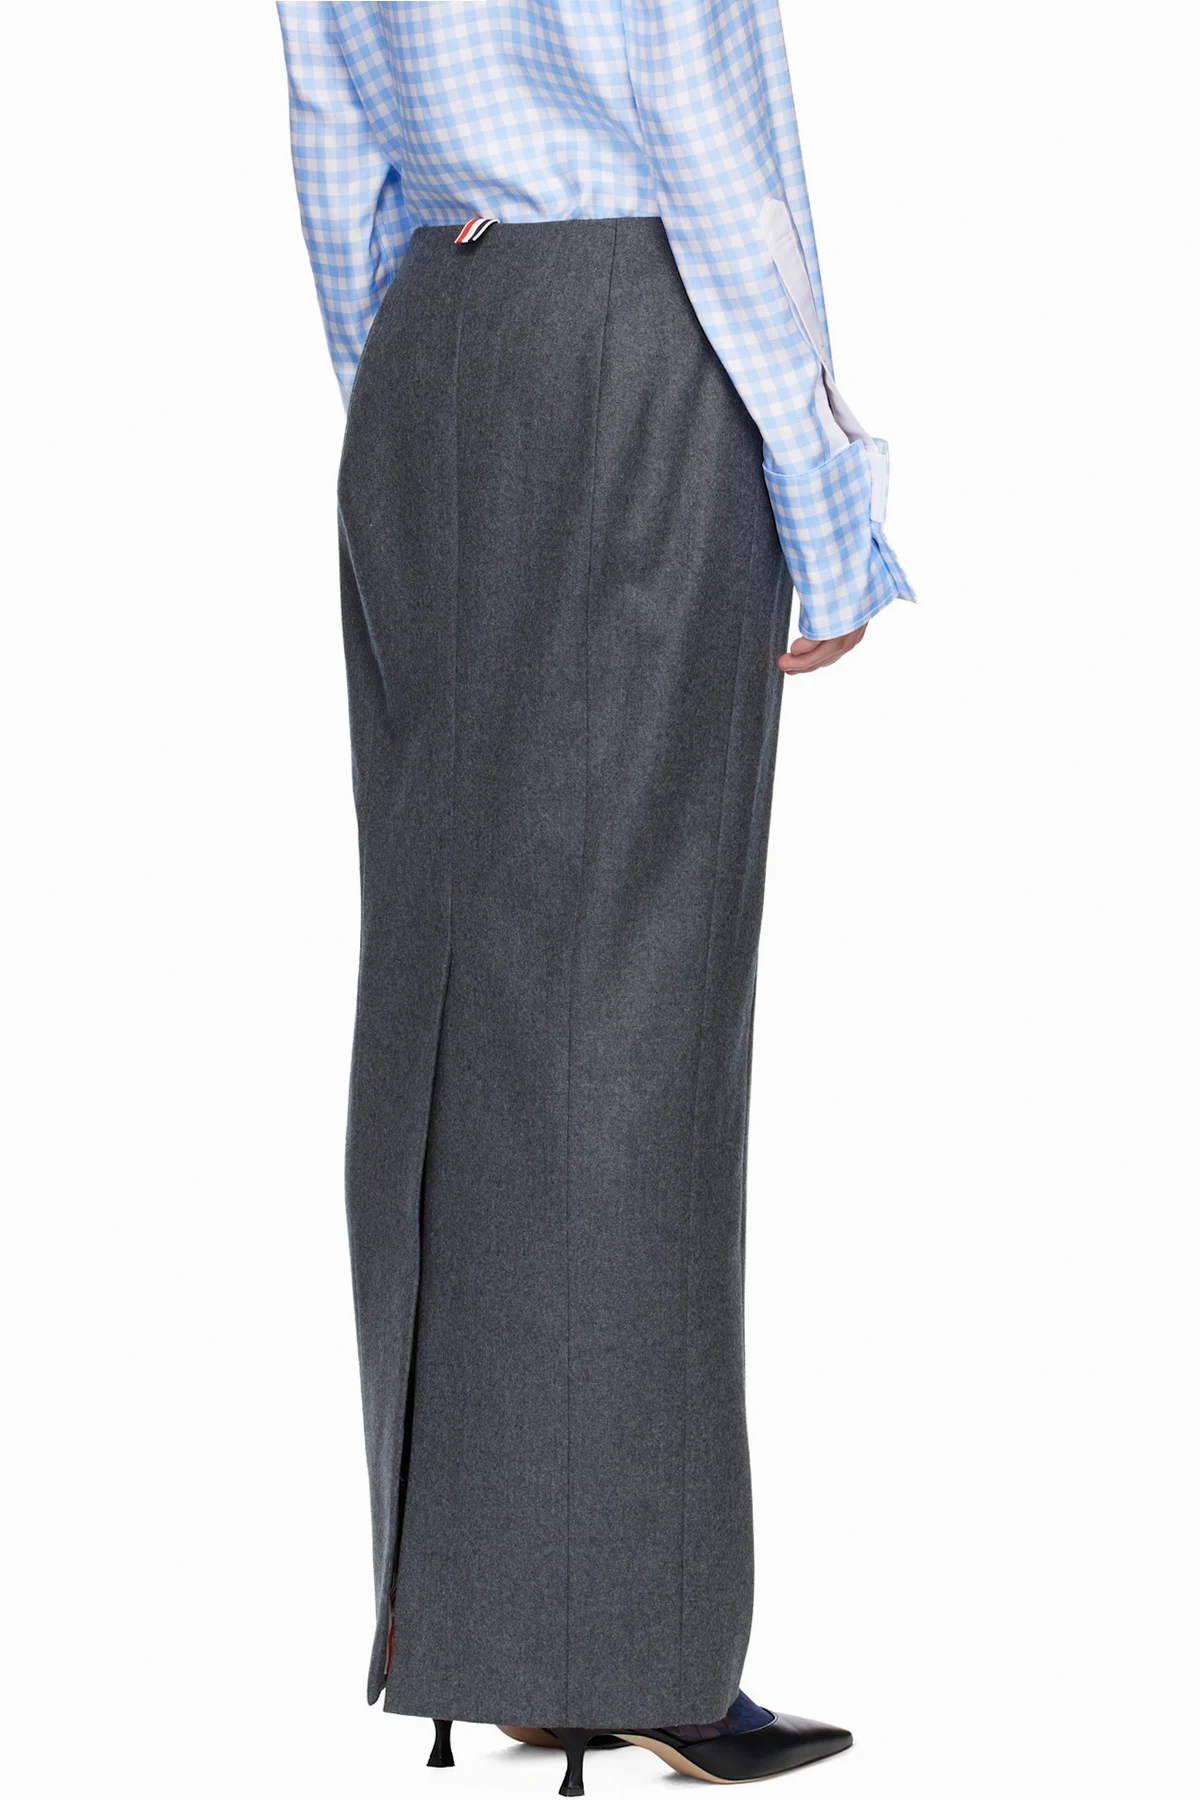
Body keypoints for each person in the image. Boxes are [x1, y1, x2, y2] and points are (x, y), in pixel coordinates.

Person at [277, 3, 912, 1792]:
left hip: (439, 342)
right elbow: (709, 134)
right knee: (638, 990)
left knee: (451, 989)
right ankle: (630, 1643)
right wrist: (822, 486)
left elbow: (331, 128)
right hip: (642, 334)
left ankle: (480, 1625)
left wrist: (417, 382)